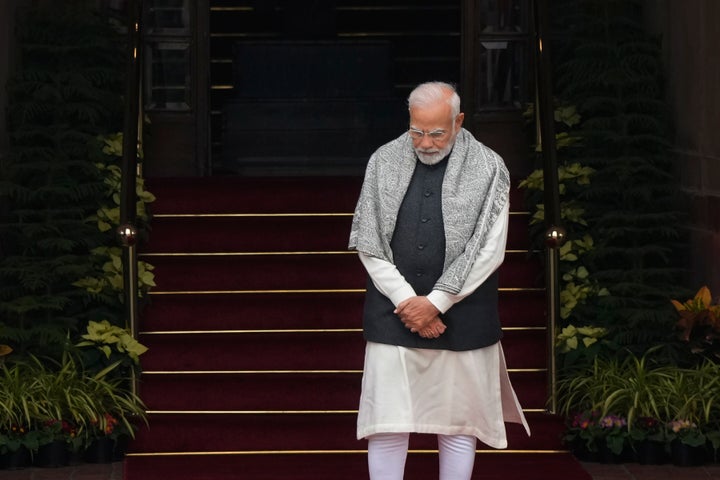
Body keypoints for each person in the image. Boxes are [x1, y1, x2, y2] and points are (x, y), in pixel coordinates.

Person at [348, 81, 530, 480]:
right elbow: (368, 240)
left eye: (436, 133)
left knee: (458, 425)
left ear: (458, 121)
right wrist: (406, 300)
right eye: (417, 131)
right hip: (392, 313)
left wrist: (436, 303)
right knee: (388, 422)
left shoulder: (489, 166)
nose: (425, 143)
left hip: (464, 315)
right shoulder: (383, 160)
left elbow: (489, 250)